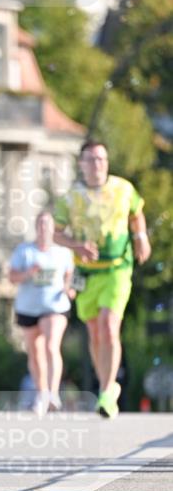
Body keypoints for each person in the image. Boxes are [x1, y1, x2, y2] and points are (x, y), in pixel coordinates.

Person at [53, 140, 151, 418]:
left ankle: (108, 390)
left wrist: (140, 237)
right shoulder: (71, 199)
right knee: (95, 334)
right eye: (91, 160)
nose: (98, 165)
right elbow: (57, 233)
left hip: (117, 269)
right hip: (86, 273)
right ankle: (105, 385)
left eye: (101, 159)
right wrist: (77, 247)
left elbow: (136, 214)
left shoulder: (123, 189)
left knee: (109, 326)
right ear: (81, 164)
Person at [8, 211, 75, 415]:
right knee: (35, 353)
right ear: (36, 227)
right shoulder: (24, 251)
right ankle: (42, 393)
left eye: (48, 224)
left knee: (51, 345)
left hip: (55, 307)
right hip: (28, 308)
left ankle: (53, 393)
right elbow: (12, 276)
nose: (44, 228)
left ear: (53, 228)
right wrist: (29, 273)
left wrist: (69, 289)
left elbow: (70, 276)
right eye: (41, 224)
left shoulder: (63, 253)